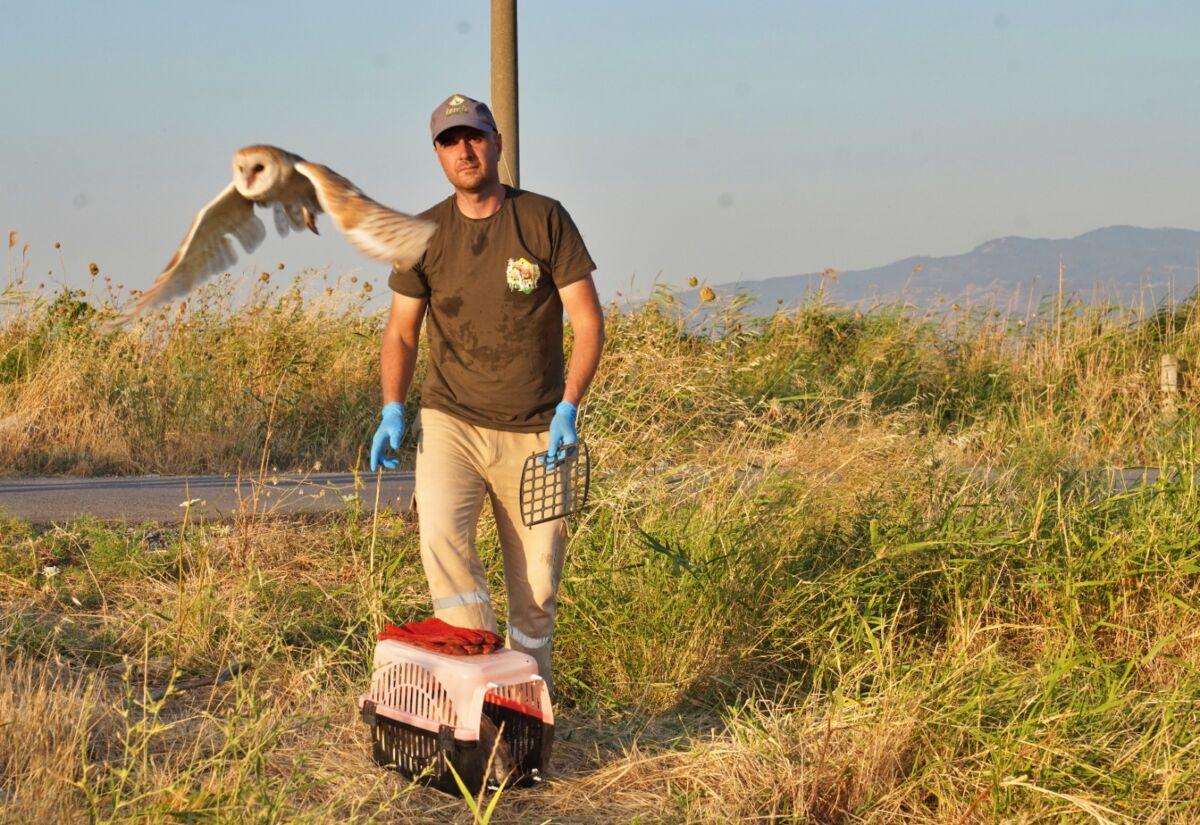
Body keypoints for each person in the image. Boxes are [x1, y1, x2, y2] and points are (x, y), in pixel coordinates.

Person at [369, 93, 604, 698]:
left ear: (497, 143)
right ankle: (479, 695)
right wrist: (392, 407)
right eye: (450, 142)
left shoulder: (544, 218)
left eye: (473, 137)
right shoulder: (422, 235)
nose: (464, 150)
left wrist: (570, 406)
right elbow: (400, 330)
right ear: (438, 156)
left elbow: (587, 320)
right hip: (452, 420)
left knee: (540, 586)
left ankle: (527, 705)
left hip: (538, 432)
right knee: (442, 542)